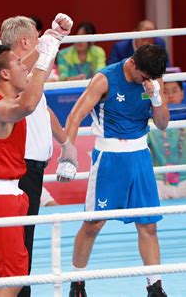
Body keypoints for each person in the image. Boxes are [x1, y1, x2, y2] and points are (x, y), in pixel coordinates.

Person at [0, 18, 62, 297]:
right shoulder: (0, 107)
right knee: (15, 275)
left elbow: (23, 76)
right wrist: (47, 55)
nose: (24, 67)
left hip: (1, 196)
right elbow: (28, 103)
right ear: (5, 74)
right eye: (18, 64)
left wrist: (48, 43)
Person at [61, 44, 170, 297]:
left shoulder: (153, 79)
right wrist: (68, 153)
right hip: (109, 158)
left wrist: (156, 98)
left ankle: (155, 286)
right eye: (143, 77)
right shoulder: (105, 79)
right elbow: (75, 116)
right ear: (132, 63)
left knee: (148, 225)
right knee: (93, 224)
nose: (145, 82)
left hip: (140, 158)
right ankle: (77, 283)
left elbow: (163, 123)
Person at [0, 14, 77, 297]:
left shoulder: (28, 75)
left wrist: (66, 143)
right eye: (36, 36)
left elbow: (42, 109)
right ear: (25, 41)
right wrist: (51, 40)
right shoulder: (6, 72)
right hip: (17, 170)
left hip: (30, 169)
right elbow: (23, 69)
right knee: (16, 246)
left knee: (22, 244)